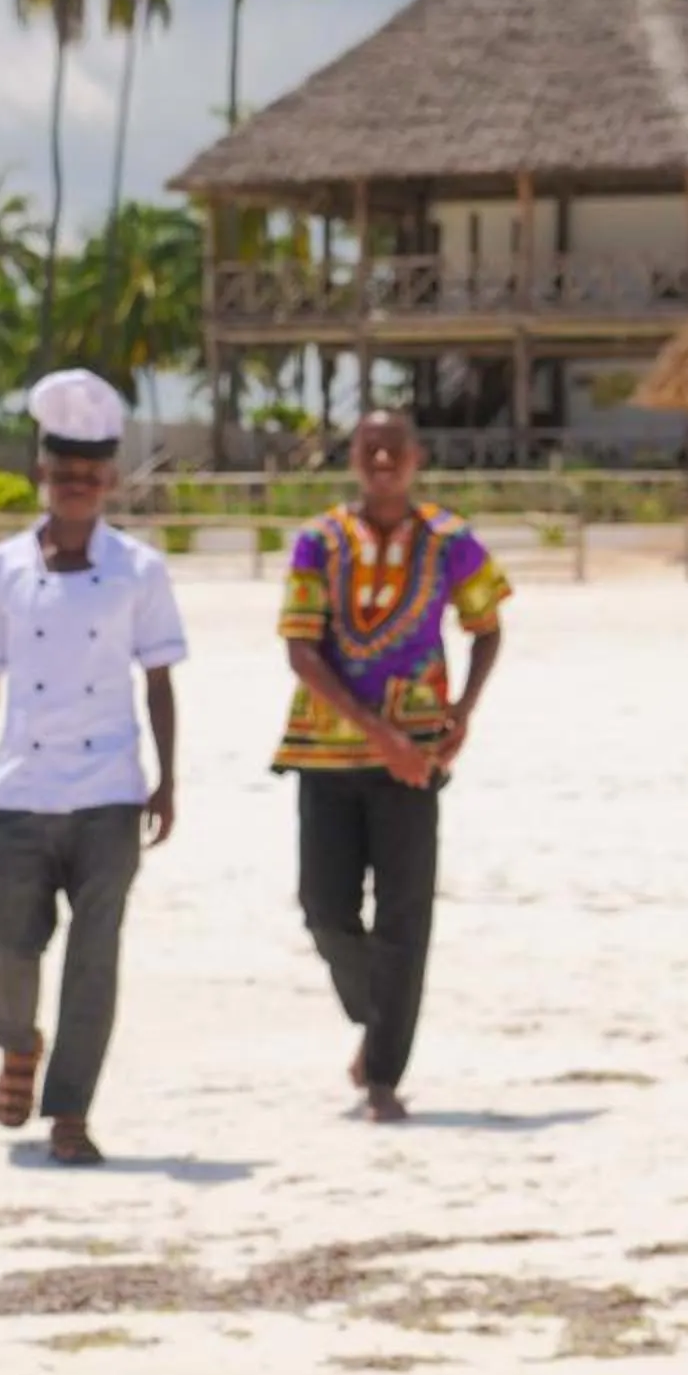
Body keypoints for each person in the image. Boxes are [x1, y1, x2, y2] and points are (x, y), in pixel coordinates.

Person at [0, 369, 185, 1168]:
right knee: (3, 950)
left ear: (110, 480)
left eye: (90, 473)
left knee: (94, 960)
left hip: (110, 792)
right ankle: (19, 1043)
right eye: (64, 472)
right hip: (20, 789)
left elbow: (160, 679)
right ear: (41, 475)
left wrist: (167, 779)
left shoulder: (141, 571)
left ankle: (70, 1114)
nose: (77, 485)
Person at [272, 407, 510, 1123]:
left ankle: (381, 1075)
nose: (382, 462)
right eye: (370, 449)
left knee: (405, 915)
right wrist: (381, 736)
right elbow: (301, 650)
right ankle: (379, 1017)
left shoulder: (450, 541)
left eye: (394, 450)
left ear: (416, 458)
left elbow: (487, 626)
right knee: (325, 909)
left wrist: (463, 710)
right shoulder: (318, 541)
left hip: (418, 752)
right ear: (352, 456)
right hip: (326, 749)